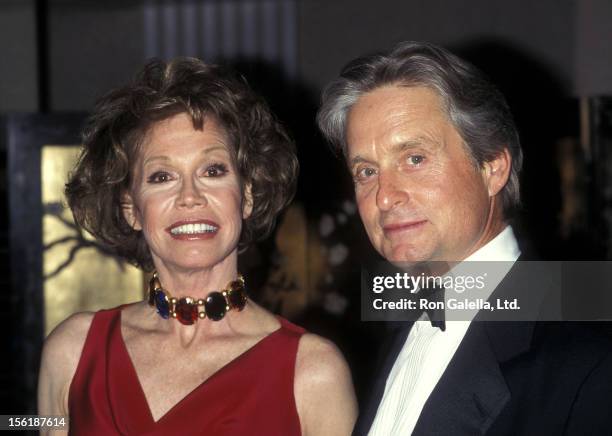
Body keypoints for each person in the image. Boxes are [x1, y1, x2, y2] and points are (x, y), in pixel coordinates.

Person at [38, 57, 357, 435]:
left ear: (248, 196)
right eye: (162, 176)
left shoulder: (313, 372)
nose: (190, 196)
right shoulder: (70, 352)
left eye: (213, 171)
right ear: (131, 209)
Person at [317, 41, 612, 435]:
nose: (384, 196)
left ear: (493, 167)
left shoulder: (588, 353)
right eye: (366, 172)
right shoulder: (396, 333)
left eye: (414, 159)